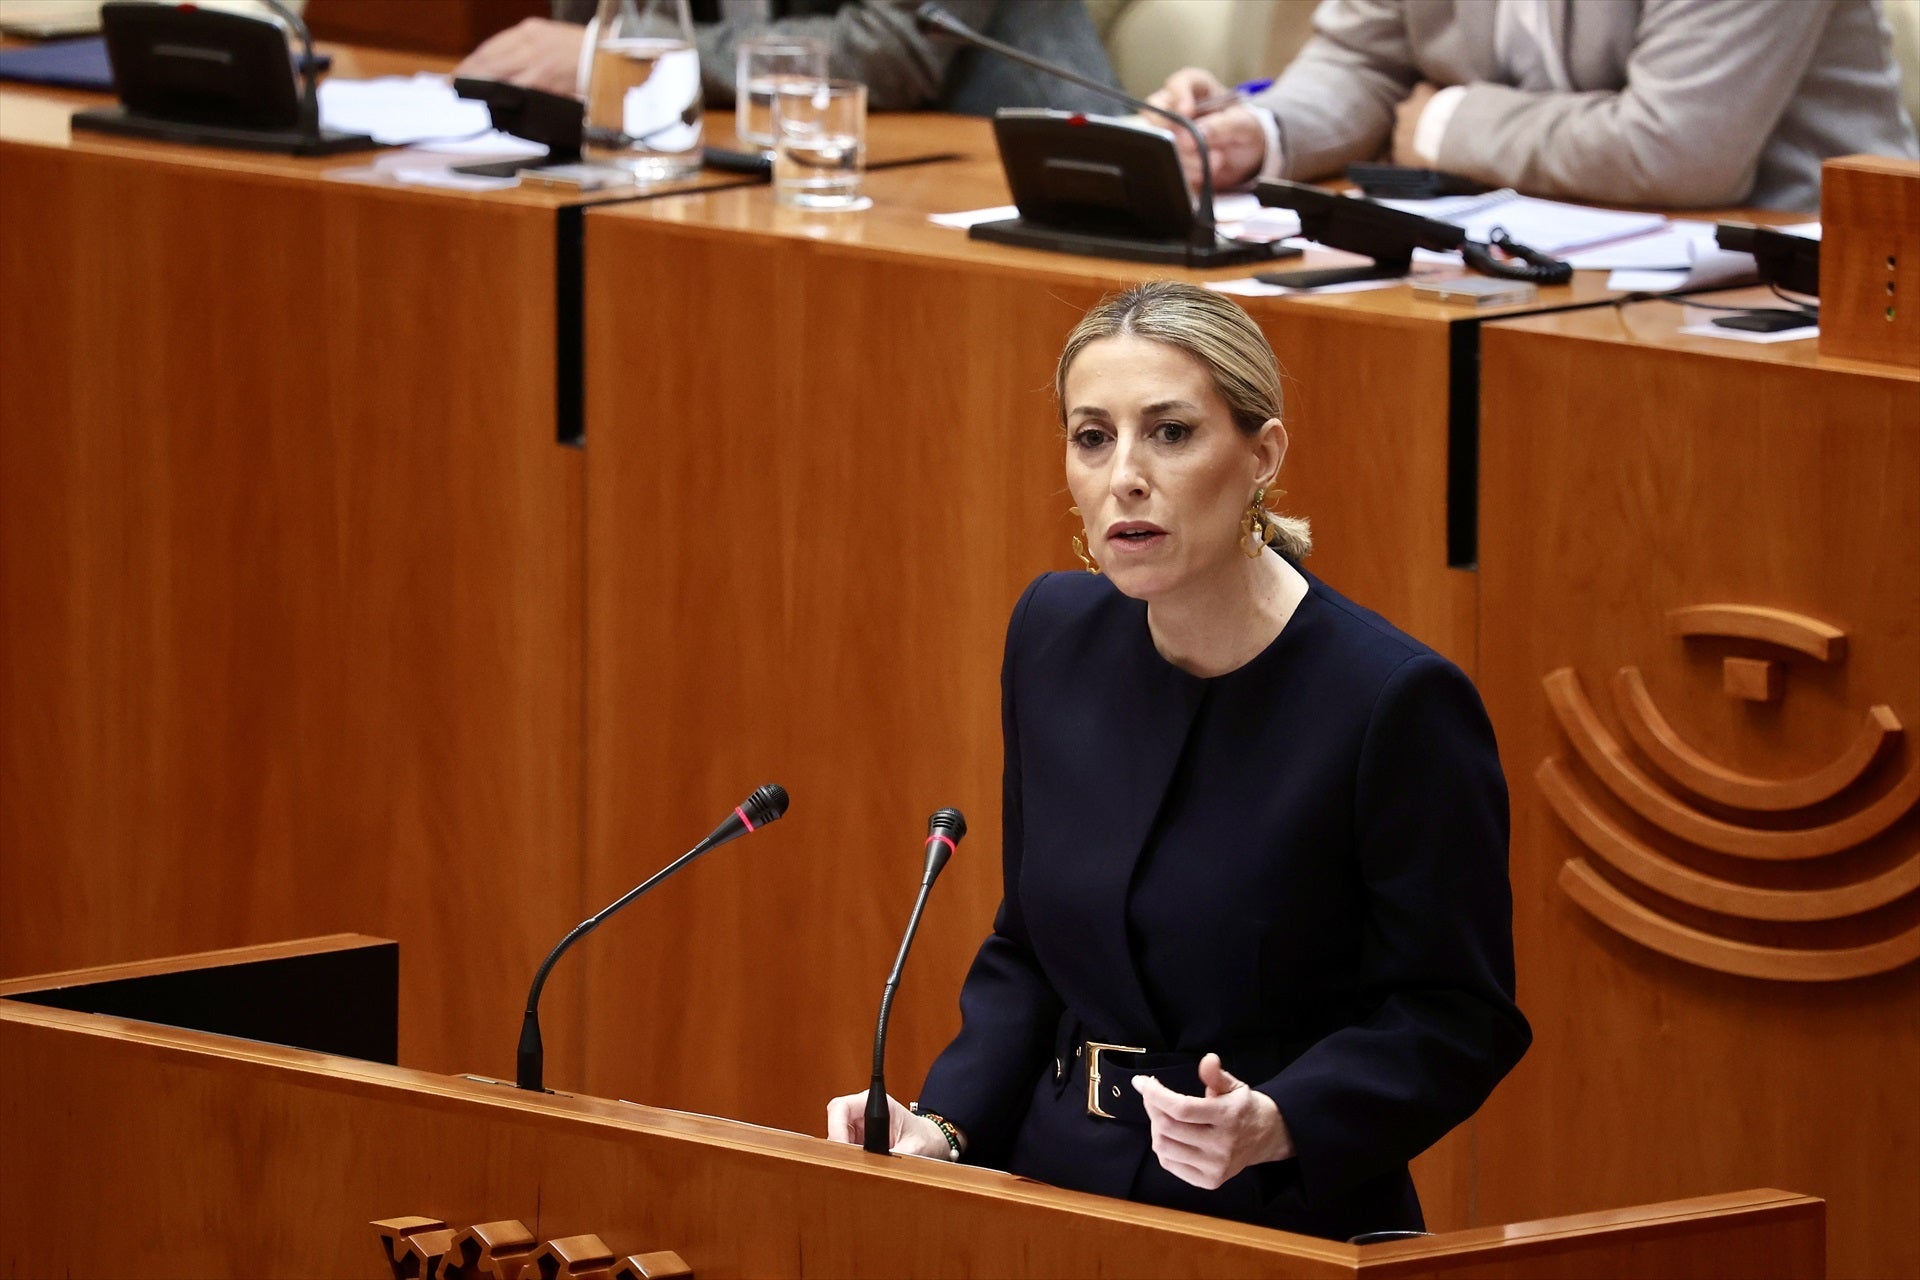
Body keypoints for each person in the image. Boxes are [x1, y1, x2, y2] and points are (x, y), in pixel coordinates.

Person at [826, 281, 1531, 1241]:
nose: (1124, 476)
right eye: (1092, 437)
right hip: (1053, 1195)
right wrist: (943, 1127)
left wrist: (1281, 1122)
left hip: (1276, 1223)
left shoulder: (1390, 702)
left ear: (1262, 455)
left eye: (1168, 433)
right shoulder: (1051, 639)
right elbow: (1031, 949)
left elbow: (1457, 1014)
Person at [1147, 0, 1919, 212]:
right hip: (1549, 263)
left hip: (1807, 292)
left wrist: (1447, 126)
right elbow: (1362, 55)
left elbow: (1676, 149)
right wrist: (1263, 131)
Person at [456, 0, 1117, 115]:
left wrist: (637, 59)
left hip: (1005, 173)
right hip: (744, 161)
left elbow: (893, 50)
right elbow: (586, 40)